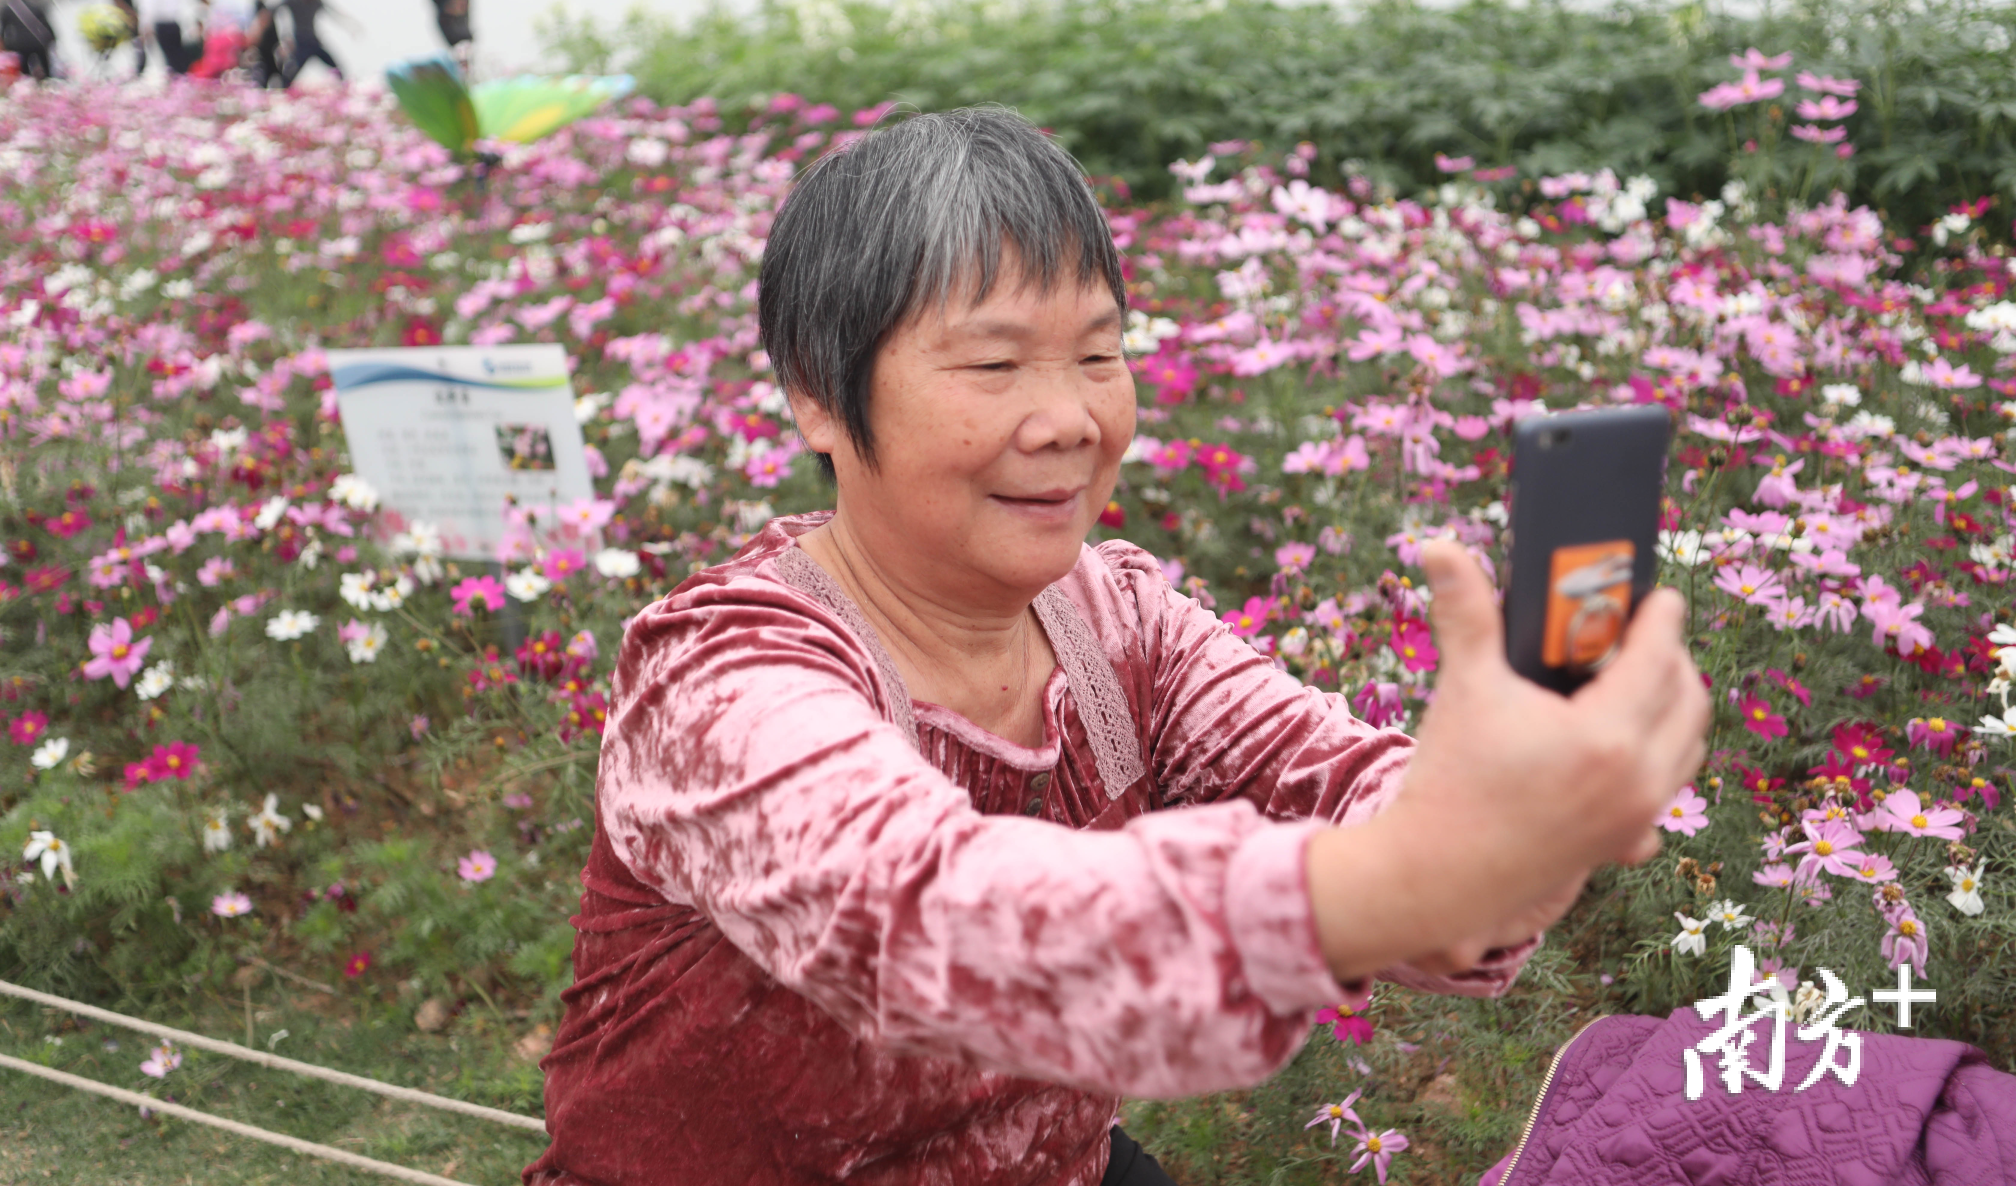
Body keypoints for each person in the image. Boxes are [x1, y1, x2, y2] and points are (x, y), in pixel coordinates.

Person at [525, 108, 1709, 1186]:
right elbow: (934, 925)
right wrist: (1403, 881)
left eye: (1098, 355)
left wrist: (1503, 830)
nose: (1074, 420)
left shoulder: (1118, 620)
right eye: (994, 364)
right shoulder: (724, 676)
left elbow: (1342, 787)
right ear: (817, 400)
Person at [279, 0, 357, 86]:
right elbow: (277, 11)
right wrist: (284, 39)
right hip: (300, 43)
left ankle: (345, 87)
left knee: (337, 69)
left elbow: (334, 13)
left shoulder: (316, 0)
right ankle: (280, 91)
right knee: (289, 75)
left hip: (314, 42)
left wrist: (352, 25)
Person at [1, 0, 55, 80]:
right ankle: (47, 88)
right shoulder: (34, 3)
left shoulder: (7, 8)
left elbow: (4, 29)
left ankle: (29, 90)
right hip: (38, 41)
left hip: (20, 44)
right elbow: (45, 23)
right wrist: (52, 38)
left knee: (25, 73)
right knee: (46, 70)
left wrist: (6, 46)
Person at [427, 0, 474, 74]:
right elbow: (440, 4)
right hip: (449, 29)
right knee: (456, 56)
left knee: (467, 52)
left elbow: (465, 4)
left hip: (463, 26)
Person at [107, 0, 144, 76]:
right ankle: (130, 71)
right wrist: (130, 13)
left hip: (130, 15)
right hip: (124, 17)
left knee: (138, 45)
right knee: (132, 46)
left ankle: (138, 70)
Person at [248, 0, 282, 87]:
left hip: (269, 42)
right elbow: (260, 24)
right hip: (265, 42)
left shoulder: (262, 1)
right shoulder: (258, 3)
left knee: (272, 69)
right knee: (270, 69)